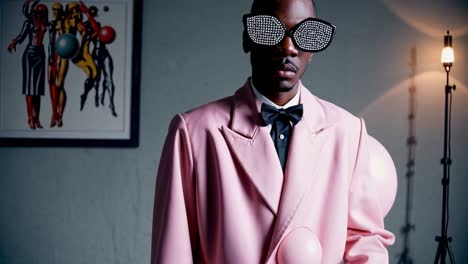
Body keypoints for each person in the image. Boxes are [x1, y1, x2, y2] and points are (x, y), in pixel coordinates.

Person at [151, 0, 397, 263]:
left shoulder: (348, 132)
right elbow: (173, 252)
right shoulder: (194, 132)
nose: (288, 48)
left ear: (312, 51)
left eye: (304, 35)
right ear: (248, 39)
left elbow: (365, 242)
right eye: (271, 30)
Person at [7, 0, 48, 130]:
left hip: (41, 54)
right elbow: (21, 35)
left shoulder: (46, 23)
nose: (40, 14)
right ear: (35, 12)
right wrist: (14, 43)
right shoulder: (30, 22)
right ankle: (30, 117)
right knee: (30, 88)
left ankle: (37, 118)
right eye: (38, 12)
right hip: (30, 54)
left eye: (42, 12)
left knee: (38, 89)